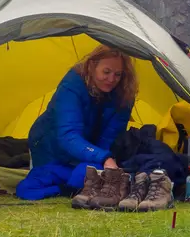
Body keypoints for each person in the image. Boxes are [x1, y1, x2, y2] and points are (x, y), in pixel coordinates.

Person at [15, 45, 138, 200]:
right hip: (49, 145)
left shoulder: (124, 94)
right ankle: (66, 188)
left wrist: (101, 161)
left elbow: (110, 137)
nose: (111, 79)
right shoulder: (72, 86)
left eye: (118, 74)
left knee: (83, 174)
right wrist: (103, 158)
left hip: (86, 149)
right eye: (106, 72)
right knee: (44, 177)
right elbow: (68, 135)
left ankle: (71, 187)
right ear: (92, 66)